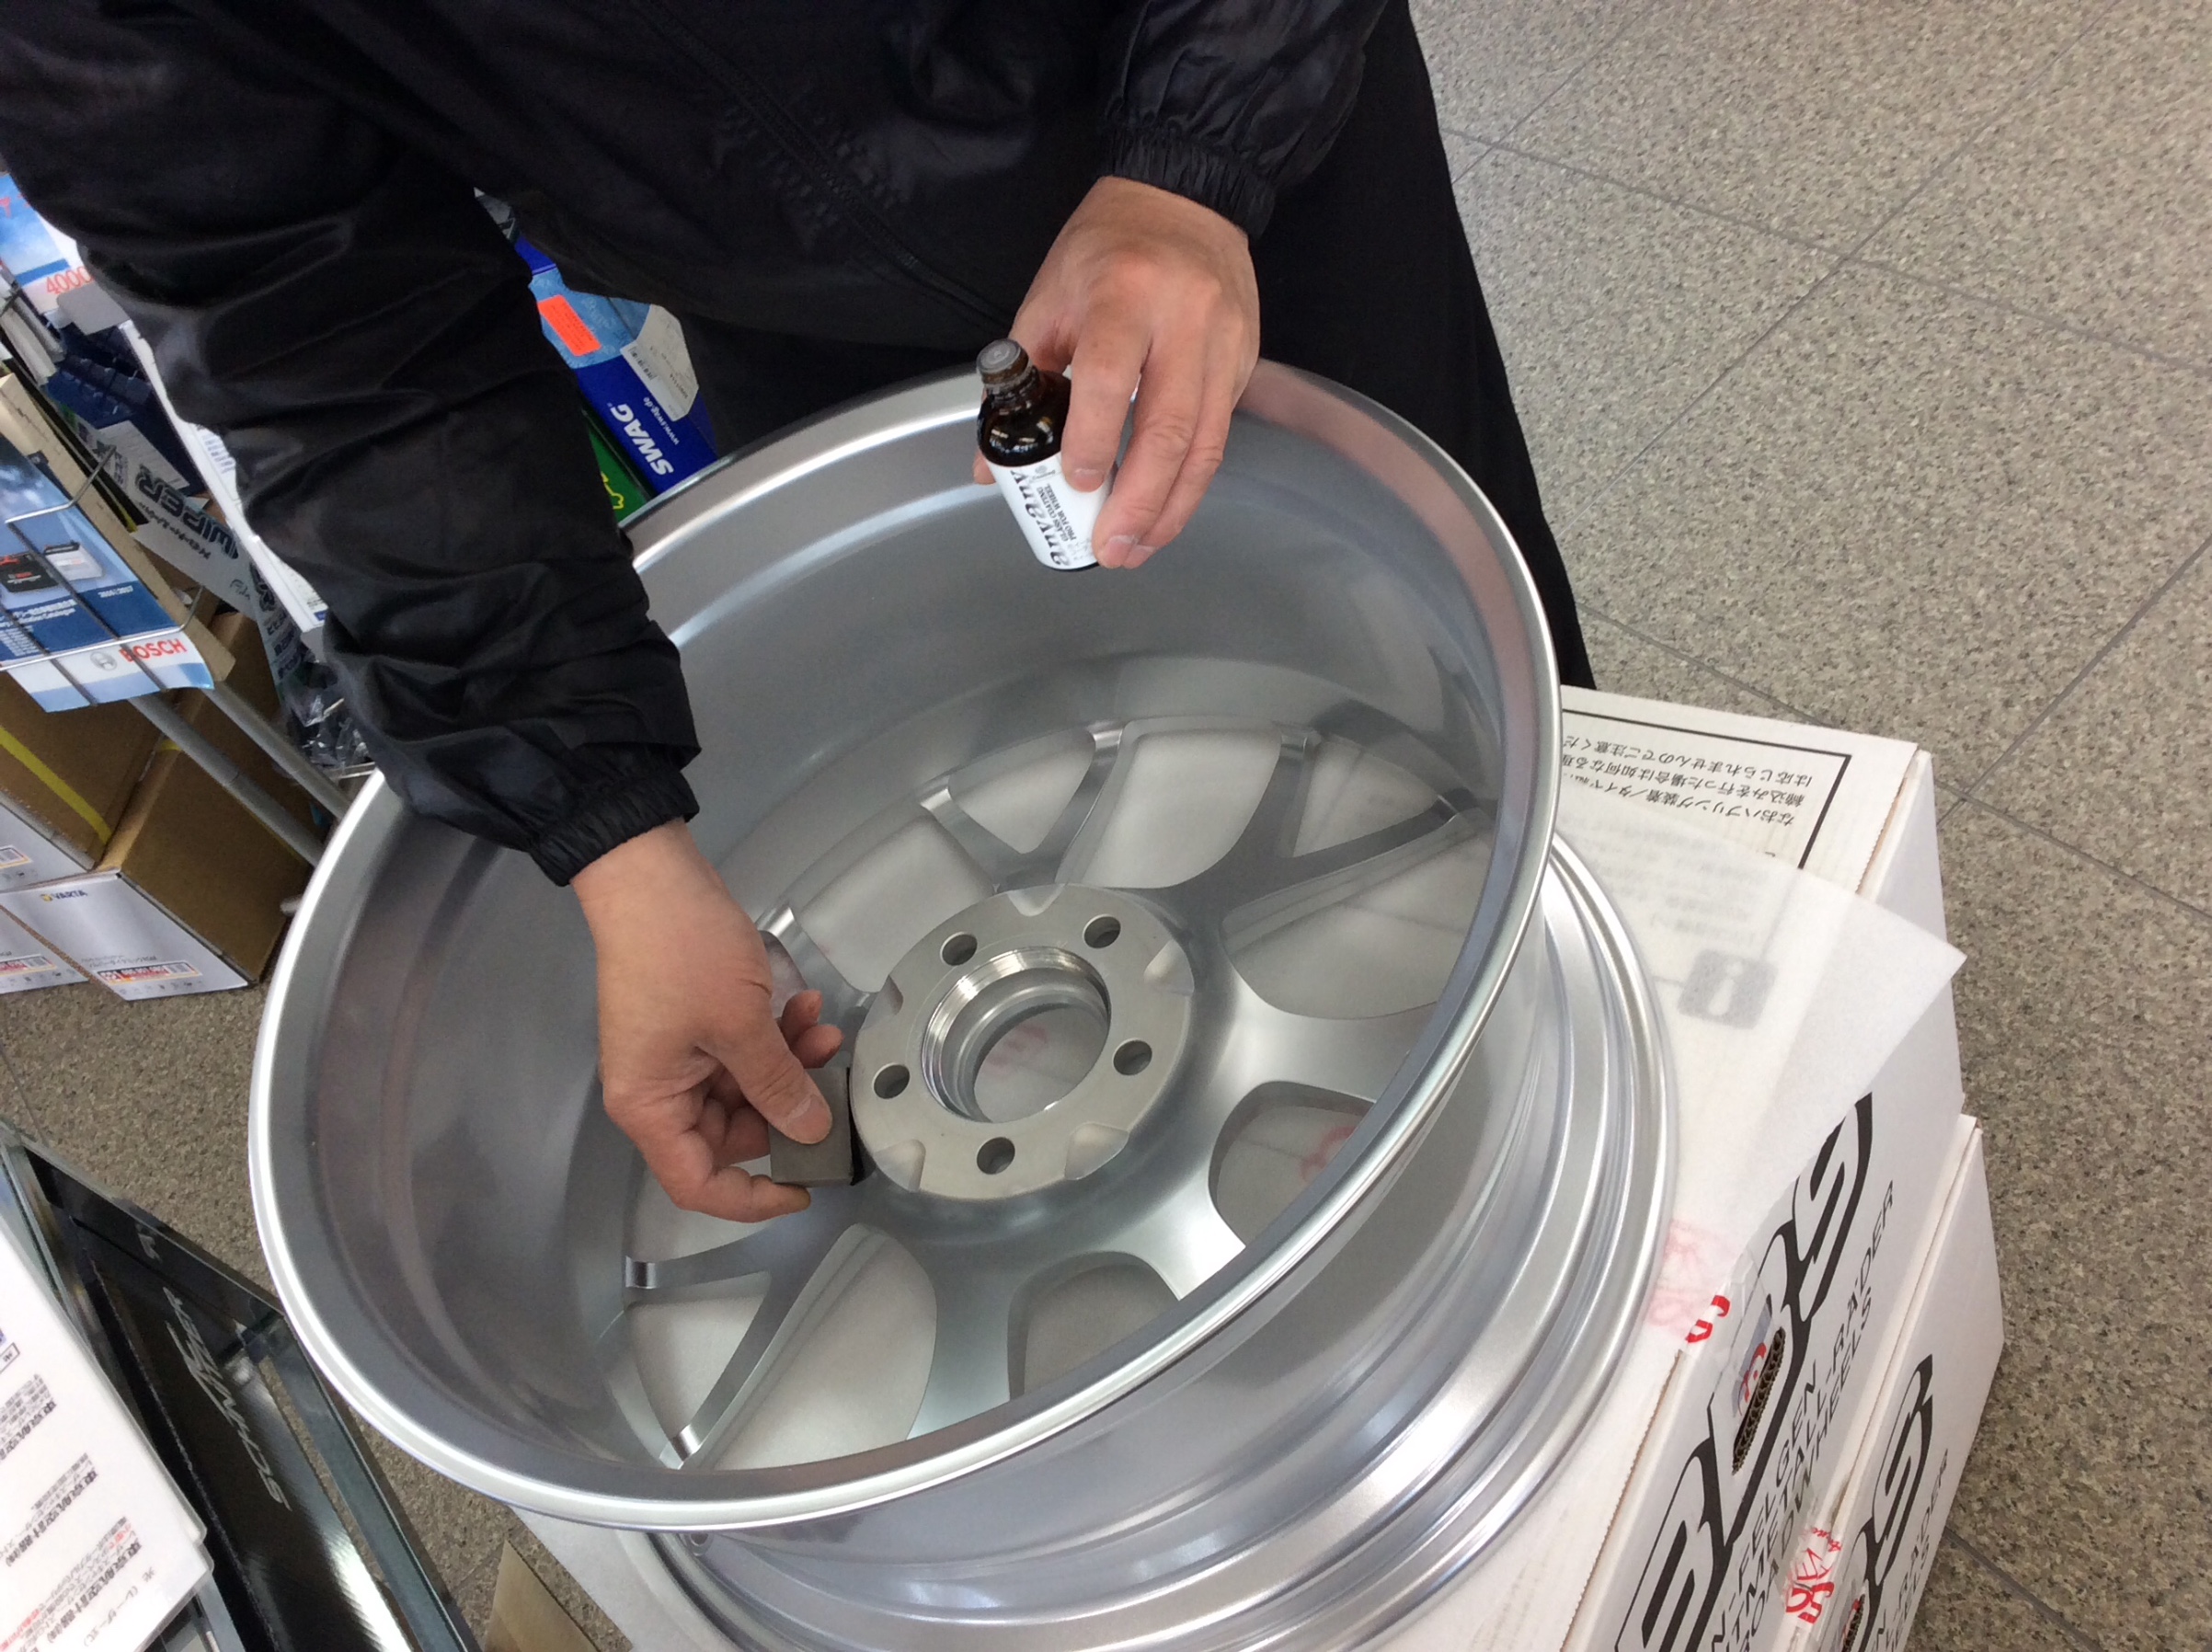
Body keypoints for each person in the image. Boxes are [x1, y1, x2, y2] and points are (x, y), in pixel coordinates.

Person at [0, 0, 1590, 1226]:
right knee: (1024, 712)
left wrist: (1195, 160)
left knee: (1479, 700)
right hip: (783, 286)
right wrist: (609, 834)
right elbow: (328, 332)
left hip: (1208, 132)